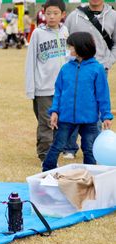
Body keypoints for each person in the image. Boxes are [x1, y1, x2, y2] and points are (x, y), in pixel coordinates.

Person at [42, 32, 113, 171]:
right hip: (66, 118)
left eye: (71, 46)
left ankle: (90, 177)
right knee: (57, 146)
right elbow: (59, 92)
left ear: (81, 47)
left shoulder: (97, 69)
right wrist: (55, 111)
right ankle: (46, 173)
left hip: (90, 120)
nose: (69, 49)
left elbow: (103, 95)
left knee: (90, 149)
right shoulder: (65, 69)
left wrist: (106, 116)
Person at [62, 0, 116, 159]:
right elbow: (65, 39)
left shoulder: (113, 16)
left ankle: (93, 146)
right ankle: (69, 147)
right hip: (75, 69)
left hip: (99, 69)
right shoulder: (74, 16)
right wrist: (69, 61)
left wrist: (108, 61)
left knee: (95, 107)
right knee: (72, 103)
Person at [25, 0, 69, 163]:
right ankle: (45, 154)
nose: (51, 17)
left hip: (63, 89)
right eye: (48, 13)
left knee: (62, 121)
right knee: (46, 122)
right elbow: (30, 61)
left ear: (63, 15)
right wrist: (31, 89)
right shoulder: (37, 33)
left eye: (55, 13)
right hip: (43, 88)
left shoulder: (66, 32)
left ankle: (56, 150)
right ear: (43, 13)